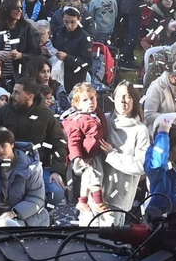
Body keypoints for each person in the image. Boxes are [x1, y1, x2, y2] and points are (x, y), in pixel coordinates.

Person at [62, 83, 109, 223]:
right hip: (86, 155)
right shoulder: (78, 120)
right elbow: (74, 141)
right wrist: (76, 158)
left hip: (96, 151)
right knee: (95, 177)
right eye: (85, 100)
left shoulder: (96, 113)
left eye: (92, 98)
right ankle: (98, 202)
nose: (90, 102)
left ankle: (82, 201)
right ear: (77, 105)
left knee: (87, 179)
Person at [103, 82, 149, 224]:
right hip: (96, 195)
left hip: (119, 199)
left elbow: (141, 166)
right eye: (119, 96)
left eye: (127, 96)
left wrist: (112, 154)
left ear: (134, 100)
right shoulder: (104, 120)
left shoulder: (140, 130)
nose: (123, 100)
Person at [0, 127, 50, 227]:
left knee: (12, 230)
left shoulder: (31, 167)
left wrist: (14, 213)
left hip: (22, 214)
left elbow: (36, 198)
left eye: (3, 145)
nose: (0, 150)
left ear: (12, 145)